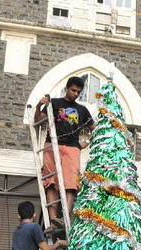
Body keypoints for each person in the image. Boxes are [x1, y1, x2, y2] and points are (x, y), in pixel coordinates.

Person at [34, 76, 96, 220]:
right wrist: (38, 105)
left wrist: (86, 141)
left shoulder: (82, 109)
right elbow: (38, 120)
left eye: (78, 92)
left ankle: (65, 218)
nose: (75, 94)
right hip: (52, 145)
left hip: (72, 148)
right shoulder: (54, 103)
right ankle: (53, 217)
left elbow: (96, 129)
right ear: (66, 89)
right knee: (51, 182)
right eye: (73, 90)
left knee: (72, 183)